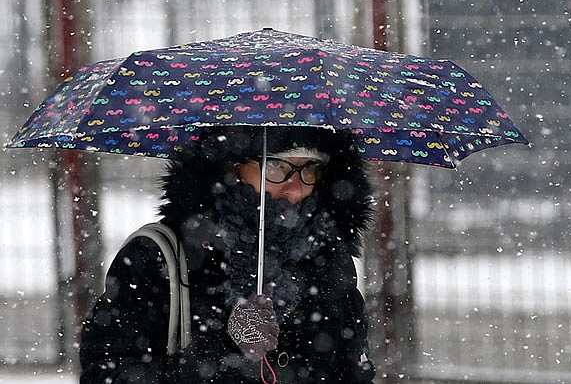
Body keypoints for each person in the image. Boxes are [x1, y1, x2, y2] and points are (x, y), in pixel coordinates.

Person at [79, 125, 377, 383]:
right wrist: (222, 353)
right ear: (231, 167)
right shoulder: (159, 257)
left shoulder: (326, 257)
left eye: (309, 168)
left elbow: (352, 372)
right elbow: (105, 375)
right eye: (276, 166)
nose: (295, 190)